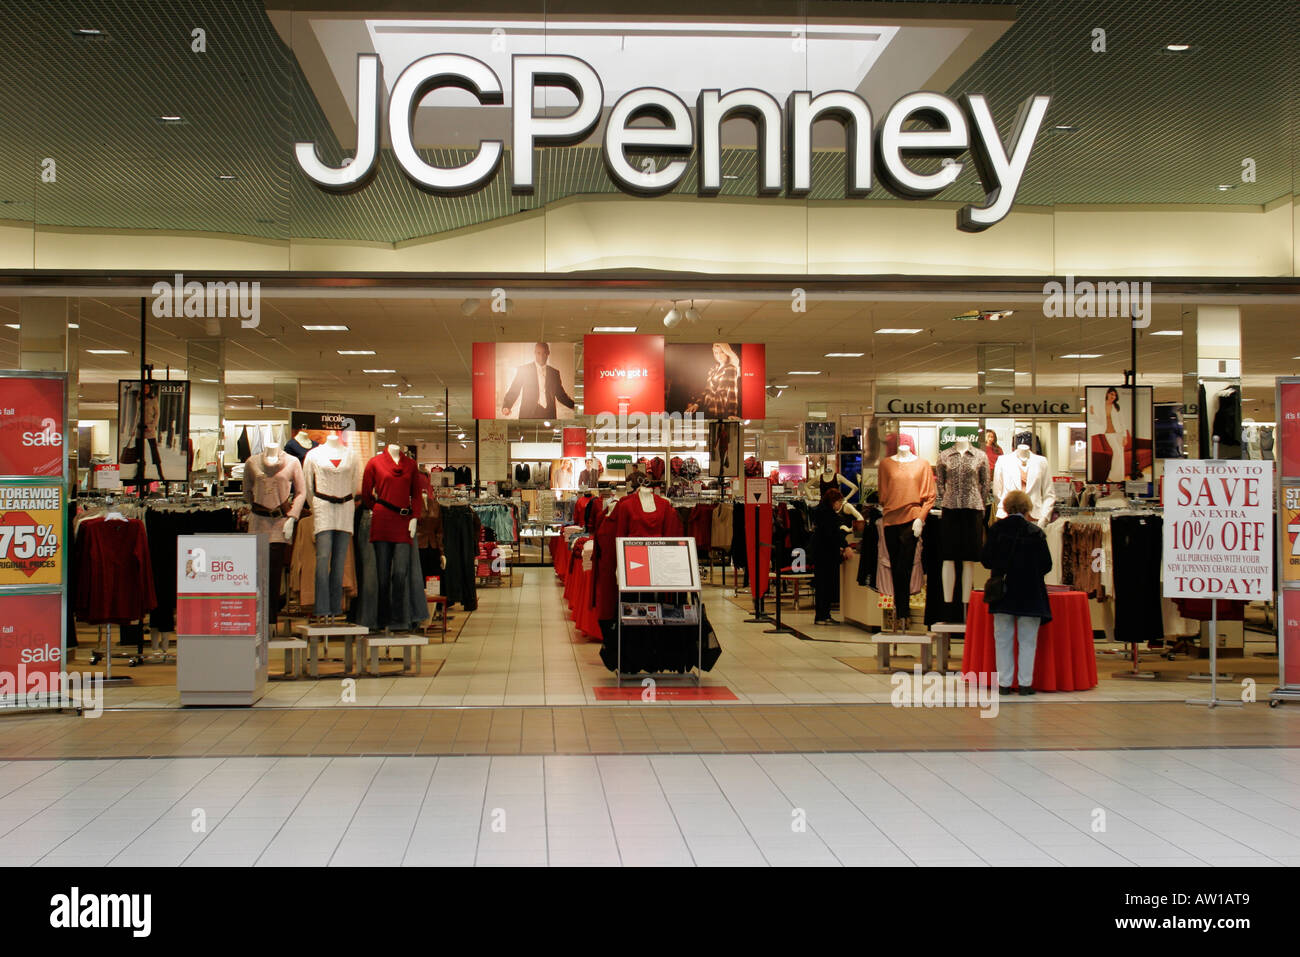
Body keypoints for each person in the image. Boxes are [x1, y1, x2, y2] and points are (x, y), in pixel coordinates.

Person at [980, 489, 1052, 695]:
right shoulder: (1035, 532)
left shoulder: (996, 530)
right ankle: (1025, 684)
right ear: (1027, 508)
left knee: (1002, 640)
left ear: (1006, 507)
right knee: (1028, 641)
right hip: (1030, 593)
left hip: (1002, 593)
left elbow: (986, 560)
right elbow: (1047, 565)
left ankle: (1004, 683)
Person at [501, 342, 576, 419]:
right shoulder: (524, 370)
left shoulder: (554, 373)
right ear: (535, 353)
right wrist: (507, 406)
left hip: (548, 414)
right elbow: (514, 389)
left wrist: (573, 405)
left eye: (544, 353)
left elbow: (560, 394)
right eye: (538, 353)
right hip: (528, 414)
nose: (541, 356)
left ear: (548, 353)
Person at [812, 488, 853, 625]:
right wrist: (845, 546)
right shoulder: (829, 515)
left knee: (821, 585)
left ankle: (821, 615)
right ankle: (824, 615)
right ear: (833, 501)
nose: (840, 504)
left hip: (820, 552)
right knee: (826, 584)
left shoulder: (820, 512)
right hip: (827, 554)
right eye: (839, 501)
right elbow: (833, 534)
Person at [686, 342, 740, 419]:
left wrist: (732, 413)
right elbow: (706, 390)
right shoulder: (713, 369)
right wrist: (696, 404)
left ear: (726, 352)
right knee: (688, 416)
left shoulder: (731, 368)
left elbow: (732, 392)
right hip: (706, 406)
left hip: (718, 408)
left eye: (721, 352)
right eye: (716, 353)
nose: (719, 356)